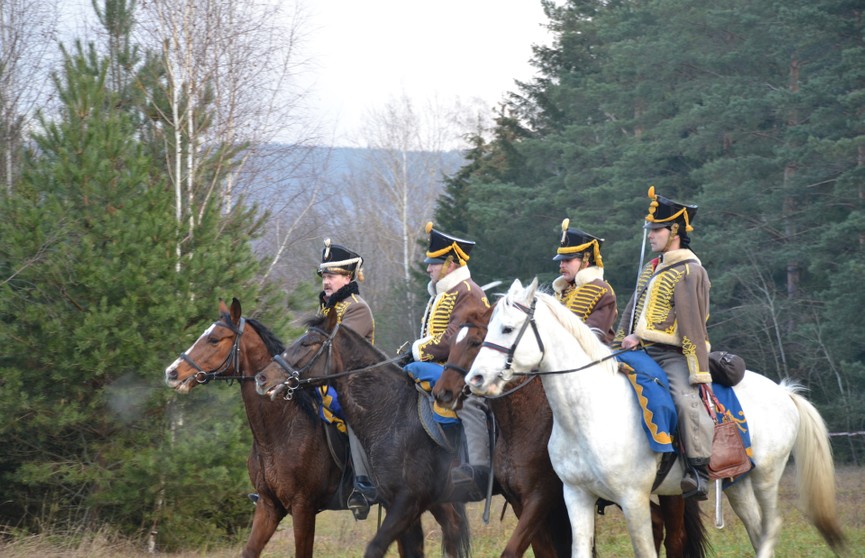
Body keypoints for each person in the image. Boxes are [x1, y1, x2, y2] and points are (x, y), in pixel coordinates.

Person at [615, 186, 714, 500]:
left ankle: (698, 471)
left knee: (685, 401)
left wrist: (698, 372)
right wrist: (617, 342)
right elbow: (631, 310)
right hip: (637, 350)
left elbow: (692, 326)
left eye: (655, 229)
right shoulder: (651, 268)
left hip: (672, 353)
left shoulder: (690, 270)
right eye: (650, 229)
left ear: (675, 231)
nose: (650, 235)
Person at [404, 222, 492, 501]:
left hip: (465, 366)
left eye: (434, 263)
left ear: (450, 264)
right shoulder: (446, 292)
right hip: (443, 363)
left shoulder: (468, 291)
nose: (429, 268)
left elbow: (454, 338)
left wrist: (419, 351)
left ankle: (476, 467)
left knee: (468, 403)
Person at [316, 239, 377, 519]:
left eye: (332, 276)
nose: (326, 282)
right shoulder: (327, 308)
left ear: (348, 277)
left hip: (357, 384)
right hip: (326, 379)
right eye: (324, 276)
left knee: (350, 413)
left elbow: (337, 349)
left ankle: (364, 483)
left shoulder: (357, 308)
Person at [552, 218, 617, 345]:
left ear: (585, 261)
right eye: (561, 261)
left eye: (567, 260)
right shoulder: (563, 291)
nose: (562, 265)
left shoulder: (601, 290)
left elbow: (592, 336)